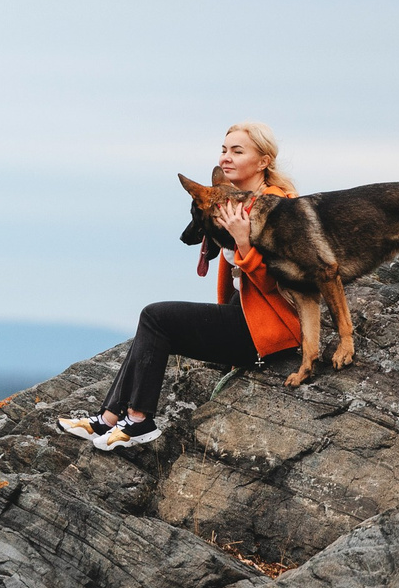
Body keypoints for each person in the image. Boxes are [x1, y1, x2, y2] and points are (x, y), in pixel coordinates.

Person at [58, 122, 303, 450]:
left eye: (237, 151)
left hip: (271, 332)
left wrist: (243, 242)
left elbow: (282, 284)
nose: (226, 157)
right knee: (154, 327)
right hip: (245, 322)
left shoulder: (275, 206)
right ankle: (108, 419)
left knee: (156, 317)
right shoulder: (232, 201)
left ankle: (138, 420)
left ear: (263, 162)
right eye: (224, 149)